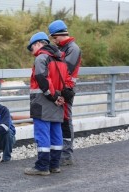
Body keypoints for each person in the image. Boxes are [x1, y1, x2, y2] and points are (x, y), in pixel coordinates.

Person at [24, 32, 74, 176]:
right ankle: (54, 165)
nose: (32, 51)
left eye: (31, 47)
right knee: (56, 133)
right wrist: (62, 97)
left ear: (38, 44)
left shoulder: (41, 57)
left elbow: (42, 77)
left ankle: (42, 167)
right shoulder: (61, 59)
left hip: (42, 102)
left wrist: (53, 96)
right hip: (58, 103)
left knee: (42, 134)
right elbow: (68, 82)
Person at [48, 20, 81, 166]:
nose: (54, 41)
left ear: (60, 34)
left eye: (54, 38)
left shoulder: (73, 49)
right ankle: (60, 152)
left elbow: (65, 69)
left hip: (66, 90)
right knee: (59, 120)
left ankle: (67, 154)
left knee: (66, 120)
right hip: (59, 89)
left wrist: (54, 56)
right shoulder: (64, 48)